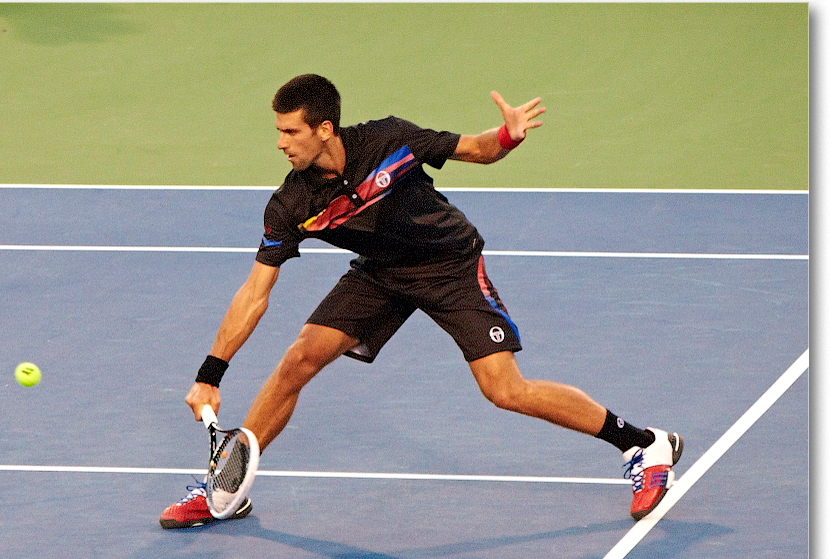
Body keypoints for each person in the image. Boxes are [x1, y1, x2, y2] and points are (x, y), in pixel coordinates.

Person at [159, 74, 682, 529]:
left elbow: (477, 149)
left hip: (447, 264)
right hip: (380, 274)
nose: (280, 143)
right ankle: (226, 485)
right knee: (299, 359)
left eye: (290, 131)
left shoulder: (391, 139)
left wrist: (507, 136)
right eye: (278, 131)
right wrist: (210, 374)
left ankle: (641, 443)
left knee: (504, 390)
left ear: (324, 129)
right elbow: (254, 294)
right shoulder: (291, 203)